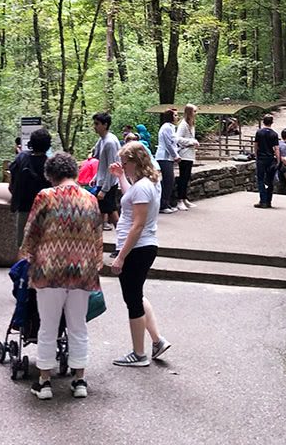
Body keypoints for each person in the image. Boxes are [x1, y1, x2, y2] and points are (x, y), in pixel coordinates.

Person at [19, 152, 103, 400]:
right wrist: (95, 264)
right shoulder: (90, 199)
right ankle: (79, 380)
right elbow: (98, 236)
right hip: (83, 271)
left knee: (48, 326)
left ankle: (44, 382)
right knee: (78, 327)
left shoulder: (45, 197)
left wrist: (26, 256)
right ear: (74, 172)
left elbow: (32, 231)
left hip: (49, 271)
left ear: (51, 175)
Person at [108, 141, 170, 367]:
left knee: (132, 300)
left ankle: (138, 353)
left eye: (125, 163)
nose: (123, 166)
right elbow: (131, 197)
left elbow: (138, 225)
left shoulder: (144, 186)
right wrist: (119, 177)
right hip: (141, 247)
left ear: (135, 161)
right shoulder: (146, 184)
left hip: (137, 248)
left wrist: (121, 256)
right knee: (137, 294)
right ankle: (157, 340)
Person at [9, 127, 51, 247]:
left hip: (24, 207)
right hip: (45, 210)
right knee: (43, 244)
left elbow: (12, 185)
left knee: (23, 245)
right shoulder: (51, 164)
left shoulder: (21, 159)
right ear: (48, 145)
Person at [89, 112, 122, 230]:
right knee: (103, 210)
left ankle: (124, 238)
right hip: (102, 181)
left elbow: (112, 168)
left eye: (97, 124)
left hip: (108, 184)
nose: (94, 126)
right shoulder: (102, 140)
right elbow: (100, 160)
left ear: (105, 125)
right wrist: (96, 178)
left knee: (111, 211)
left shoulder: (110, 142)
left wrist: (104, 189)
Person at [175, 103, 200, 211]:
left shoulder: (191, 124)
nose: (196, 113)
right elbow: (178, 139)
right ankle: (180, 200)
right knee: (183, 177)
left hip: (190, 155)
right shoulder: (183, 124)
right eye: (194, 111)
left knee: (187, 177)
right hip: (184, 154)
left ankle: (184, 198)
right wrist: (191, 141)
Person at [155, 109, 179, 214]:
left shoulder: (171, 128)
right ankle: (162, 205)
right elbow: (168, 144)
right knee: (168, 181)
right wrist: (175, 156)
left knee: (169, 182)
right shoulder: (166, 128)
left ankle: (166, 203)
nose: (177, 117)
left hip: (168, 158)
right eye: (175, 115)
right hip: (164, 158)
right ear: (170, 116)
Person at [253, 114, 279, 209]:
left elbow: (256, 145)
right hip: (270, 158)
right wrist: (278, 160)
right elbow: (276, 148)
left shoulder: (259, 132)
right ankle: (268, 201)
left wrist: (256, 155)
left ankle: (262, 200)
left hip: (261, 158)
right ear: (272, 122)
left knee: (260, 179)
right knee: (270, 180)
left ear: (263, 121)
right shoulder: (274, 134)